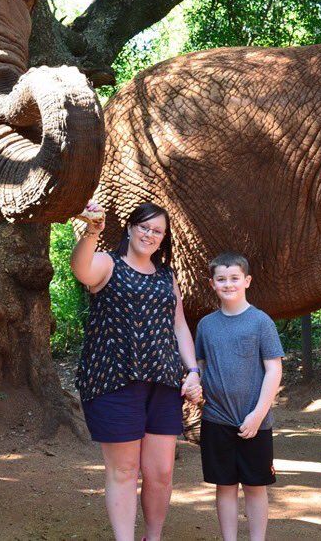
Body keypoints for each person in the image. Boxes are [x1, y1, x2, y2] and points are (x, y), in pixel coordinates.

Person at [70, 201, 203, 541]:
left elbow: (179, 327)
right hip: (113, 382)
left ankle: (153, 537)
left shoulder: (166, 276)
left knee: (161, 472)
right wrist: (93, 231)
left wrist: (192, 370)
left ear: (163, 239)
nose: (150, 234)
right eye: (144, 226)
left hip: (163, 383)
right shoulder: (107, 264)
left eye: (157, 231)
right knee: (125, 470)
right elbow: (81, 269)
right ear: (129, 228)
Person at [195, 252, 284, 541]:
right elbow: (199, 366)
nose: (228, 284)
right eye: (221, 279)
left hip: (254, 421)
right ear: (212, 284)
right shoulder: (206, 325)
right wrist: (192, 383)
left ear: (247, 281)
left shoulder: (261, 322)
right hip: (216, 420)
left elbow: (273, 370)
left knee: (256, 486)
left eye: (234, 278)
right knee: (225, 485)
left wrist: (258, 414)